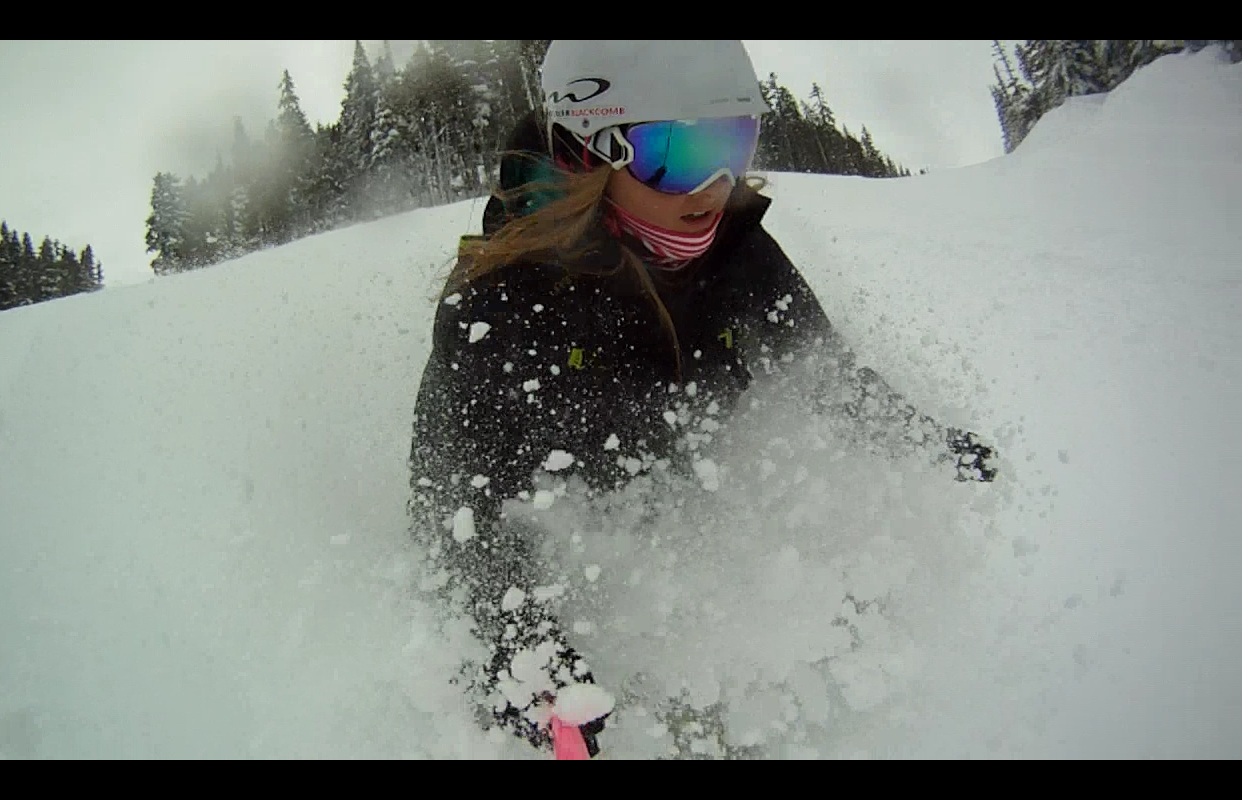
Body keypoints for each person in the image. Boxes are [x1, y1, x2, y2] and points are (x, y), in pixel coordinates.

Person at [406, 40, 996, 759]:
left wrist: (917, 438)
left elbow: (824, 379)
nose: (714, 186)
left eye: (732, 142)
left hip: (704, 563)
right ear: (591, 153)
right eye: (680, 156)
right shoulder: (504, 306)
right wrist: (520, 643)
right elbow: (454, 504)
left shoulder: (737, 254)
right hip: (580, 606)